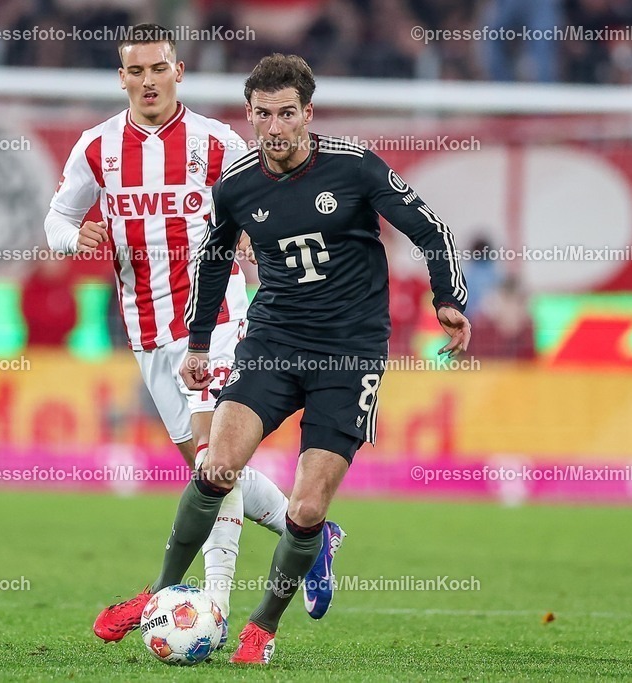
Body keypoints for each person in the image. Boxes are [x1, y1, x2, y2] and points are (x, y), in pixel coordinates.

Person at [93, 53, 471, 665]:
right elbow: (213, 261)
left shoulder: (354, 167)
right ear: (249, 114)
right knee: (216, 466)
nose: (274, 127)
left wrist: (449, 300)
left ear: (307, 114)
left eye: (286, 114)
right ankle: (161, 592)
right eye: (263, 114)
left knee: (308, 507)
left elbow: (431, 230)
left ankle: (261, 628)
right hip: (272, 343)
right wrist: (197, 345)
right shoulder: (237, 184)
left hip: (349, 356)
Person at [43, 25, 345, 635]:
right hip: (147, 331)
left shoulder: (216, 141)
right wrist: (75, 237)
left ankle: (211, 608)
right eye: (137, 71)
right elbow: (57, 218)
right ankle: (310, 532)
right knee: (207, 473)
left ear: (178, 72)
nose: (149, 80)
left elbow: (267, 201)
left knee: (214, 463)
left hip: (216, 321)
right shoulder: (96, 148)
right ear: (122, 78)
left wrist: (260, 239)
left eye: (159, 68)